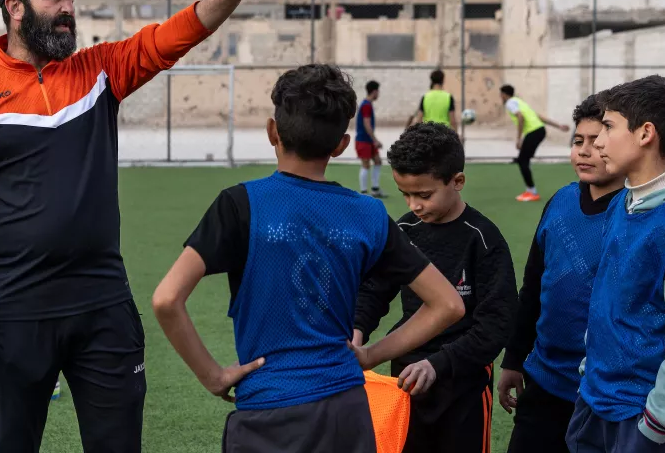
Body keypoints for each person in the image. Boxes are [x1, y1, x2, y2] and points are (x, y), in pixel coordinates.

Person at [0, 0, 281, 453]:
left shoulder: (100, 71)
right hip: (15, 306)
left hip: (102, 303)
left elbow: (173, 36)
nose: (68, 8)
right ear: (15, 8)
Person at [151, 64, 465, 453]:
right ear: (341, 145)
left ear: (272, 131)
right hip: (346, 411)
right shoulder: (368, 214)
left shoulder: (240, 204)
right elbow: (449, 304)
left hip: (268, 413)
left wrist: (213, 376)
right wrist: (369, 355)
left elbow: (166, 299)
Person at [566, 75, 665, 453]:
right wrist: (589, 372)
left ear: (645, 133)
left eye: (608, 127)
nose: (598, 141)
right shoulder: (623, 203)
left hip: (645, 418)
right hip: (595, 400)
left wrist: (655, 425)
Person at [353, 122, 519, 453]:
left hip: (463, 383)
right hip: (404, 379)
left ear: (457, 181)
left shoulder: (482, 239)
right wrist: (356, 332)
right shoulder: (404, 231)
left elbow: (496, 322)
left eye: (424, 195)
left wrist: (438, 364)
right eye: (405, 194)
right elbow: (373, 291)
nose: (413, 205)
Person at [498, 93, 625, 452]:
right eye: (577, 140)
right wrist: (513, 358)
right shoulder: (560, 202)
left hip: (603, 391)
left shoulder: (635, 215)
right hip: (544, 380)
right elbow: (533, 287)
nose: (584, 151)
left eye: (596, 142)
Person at [499, 85, 570, 202]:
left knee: (522, 160)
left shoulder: (510, 103)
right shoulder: (520, 102)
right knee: (523, 160)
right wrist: (558, 126)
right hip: (539, 131)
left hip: (534, 132)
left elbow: (520, 117)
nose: (500, 97)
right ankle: (530, 190)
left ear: (504, 95)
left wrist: (518, 139)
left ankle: (532, 192)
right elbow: (539, 117)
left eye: (501, 94)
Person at [357, 80, 386, 197]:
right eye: (378, 91)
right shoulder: (366, 105)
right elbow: (367, 124)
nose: (379, 94)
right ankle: (363, 192)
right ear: (374, 92)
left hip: (368, 140)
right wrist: (375, 140)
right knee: (366, 165)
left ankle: (375, 189)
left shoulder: (368, 104)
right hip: (363, 140)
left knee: (378, 161)